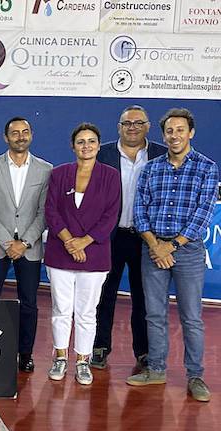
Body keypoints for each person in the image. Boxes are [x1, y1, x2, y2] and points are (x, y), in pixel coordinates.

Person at [127, 108, 218, 402]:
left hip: (187, 251)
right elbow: (139, 211)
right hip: (152, 250)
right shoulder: (151, 168)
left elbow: (203, 214)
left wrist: (173, 246)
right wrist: (156, 245)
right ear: (163, 134)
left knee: (191, 317)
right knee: (154, 314)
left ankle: (195, 375)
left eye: (180, 130)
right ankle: (156, 369)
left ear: (190, 133)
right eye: (169, 131)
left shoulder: (207, 167)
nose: (174, 135)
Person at [92, 105, 168, 371]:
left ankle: (144, 352)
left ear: (148, 126)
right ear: (119, 127)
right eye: (127, 123)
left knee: (144, 297)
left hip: (147, 239)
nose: (132, 127)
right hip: (109, 237)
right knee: (104, 295)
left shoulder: (161, 154)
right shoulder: (102, 154)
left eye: (138, 123)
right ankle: (99, 347)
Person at [44, 123, 121, 386]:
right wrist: (69, 242)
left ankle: (83, 361)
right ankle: (61, 357)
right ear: (72, 145)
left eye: (91, 141)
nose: (86, 146)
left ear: (99, 146)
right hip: (60, 253)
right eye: (80, 141)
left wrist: (84, 243)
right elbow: (51, 211)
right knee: (61, 309)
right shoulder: (59, 174)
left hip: (95, 255)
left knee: (87, 312)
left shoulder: (111, 176)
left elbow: (111, 215)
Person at [0, 117, 53, 372]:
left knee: (29, 303)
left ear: (31, 135)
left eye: (25, 132)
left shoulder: (45, 169)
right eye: (15, 133)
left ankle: (25, 353)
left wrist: (25, 242)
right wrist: (8, 242)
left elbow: (44, 212)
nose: (20, 136)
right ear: (5, 137)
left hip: (29, 249)